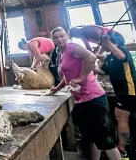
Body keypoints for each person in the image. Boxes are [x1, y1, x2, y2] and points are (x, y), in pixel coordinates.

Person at [49, 27, 121, 160]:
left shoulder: (72, 47)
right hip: (82, 100)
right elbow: (67, 77)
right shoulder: (63, 54)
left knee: (103, 138)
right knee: (91, 138)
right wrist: (56, 89)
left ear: (67, 36)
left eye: (62, 36)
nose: (59, 39)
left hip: (93, 97)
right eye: (56, 37)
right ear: (52, 40)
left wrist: (81, 77)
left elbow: (91, 56)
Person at [93, 35, 136, 158]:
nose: (101, 47)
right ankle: (124, 146)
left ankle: (122, 149)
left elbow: (122, 57)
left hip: (129, 90)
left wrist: (107, 42)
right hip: (121, 92)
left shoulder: (122, 49)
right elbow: (104, 71)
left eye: (102, 44)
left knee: (121, 118)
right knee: (121, 118)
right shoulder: (110, 57)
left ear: (109, 42)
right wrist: (90, 66)